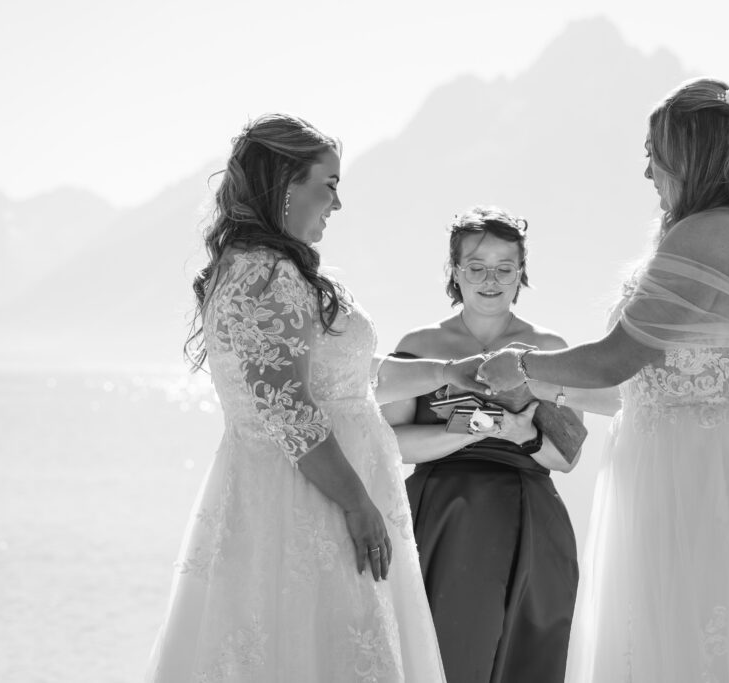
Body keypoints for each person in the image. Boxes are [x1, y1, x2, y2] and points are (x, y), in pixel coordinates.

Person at [477, 79, 729, 682]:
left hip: (698, 481)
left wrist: (521, 363)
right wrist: (539, 389)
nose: (647, 169)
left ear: (690, 153)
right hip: (698, 467)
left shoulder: (704, 234)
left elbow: (613, 360)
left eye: (655, 150)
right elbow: (631, 389)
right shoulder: (722, 231)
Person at [146, 113, 485, 683]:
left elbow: (349, 381)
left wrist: (456, 372)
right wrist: (357, 504)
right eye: (328, 185)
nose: (337, 203)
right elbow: (289, 411)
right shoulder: (265, 276)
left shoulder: (277, 271)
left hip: (317, 490)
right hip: (307, 504)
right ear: (284, 185)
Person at [380, 206, 581, 683]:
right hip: (441, 515)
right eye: (476, 267)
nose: (490, 279)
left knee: (526, 660)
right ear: (455, 272)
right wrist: (469, 429)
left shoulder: (550, 347)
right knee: (442, 659)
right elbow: (393, 445)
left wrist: (523, 435)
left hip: (529, 517)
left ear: (520, 273)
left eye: (504, 268)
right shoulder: (418, 344)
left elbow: (568, 457)